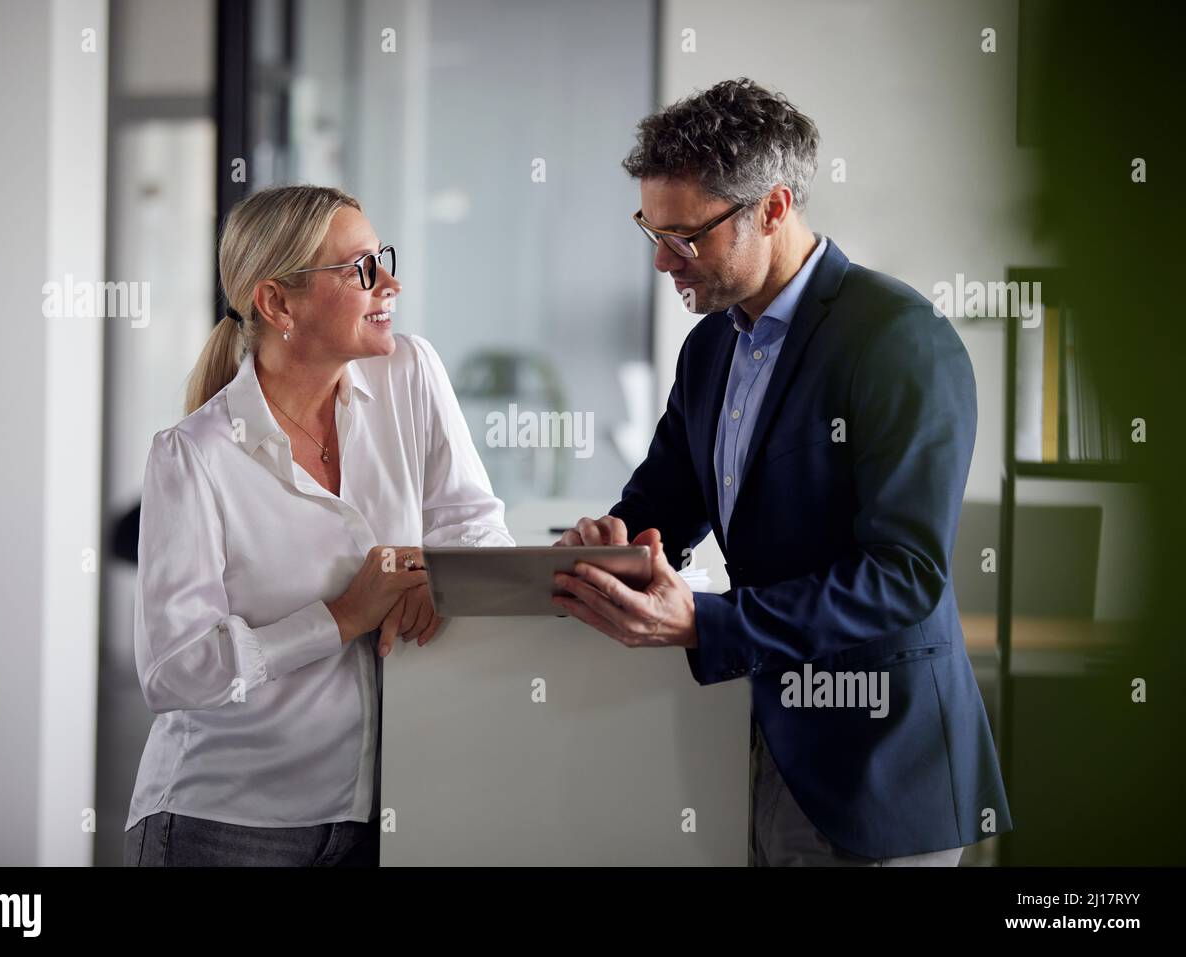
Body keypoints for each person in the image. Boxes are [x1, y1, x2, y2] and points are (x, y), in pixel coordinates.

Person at [554, 78, 1010, 866]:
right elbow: (666, 497)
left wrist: (709, 622)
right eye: (650, 231)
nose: (663, 260)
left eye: (686, 236)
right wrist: (615, 539)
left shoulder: (899, 340)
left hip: (879, 766)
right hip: (765, 740)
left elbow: (904, 575)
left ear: (774, 206)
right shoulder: (712, 347)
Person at [124, 185, 513, 866]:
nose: (389, 283)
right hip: (221, 824)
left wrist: (436, 575)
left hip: (383, 815)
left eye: (382, 258)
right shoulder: (192, 455)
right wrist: (339, 616)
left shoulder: (410, 374)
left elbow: (476, 531)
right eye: (360, 268)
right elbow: (173, 669)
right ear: (278, 304)